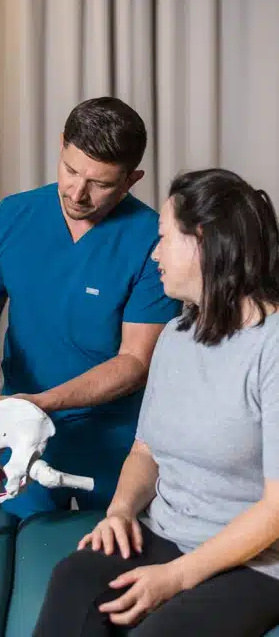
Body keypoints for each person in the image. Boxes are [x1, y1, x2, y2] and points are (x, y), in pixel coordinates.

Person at [33, 168, 279, 636]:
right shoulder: (175, 336)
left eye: (164, 238)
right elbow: (145, 451)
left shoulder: (272, 347)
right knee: (73, 578)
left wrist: (175, 578)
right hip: (164, 533)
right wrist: (120, 512)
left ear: (202, 240)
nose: (155, 252)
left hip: (255, 563)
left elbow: (276, 511)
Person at [0, 97, 180, 519]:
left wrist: (43, 403)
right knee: (6, 553)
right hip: (16, 437)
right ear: (62, 144)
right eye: (70, 170)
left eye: (100, 183)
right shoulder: (11, 217)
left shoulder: (153, 243)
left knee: (108, 570)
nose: (77, 192)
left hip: (116, 448)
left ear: (131, 179)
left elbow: (136, 360)